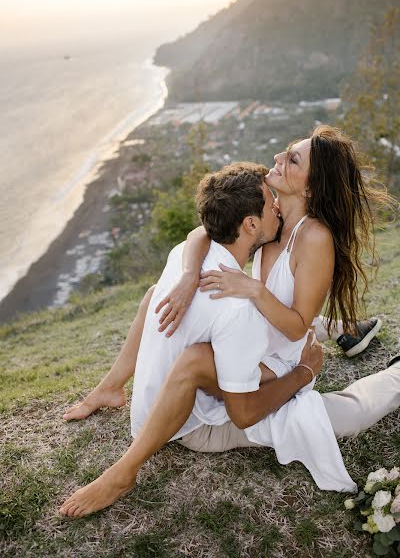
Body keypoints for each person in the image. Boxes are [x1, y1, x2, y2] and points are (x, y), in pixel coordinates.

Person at [59, 127, 399, 518]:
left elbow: (294, 325)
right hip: (250, 337)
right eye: (285, 151)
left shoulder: (313, 237)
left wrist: (254, 294)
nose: (277, 159)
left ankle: (392, 376)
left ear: (310, 188)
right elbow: (203, 230)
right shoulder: (269, 220)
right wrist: (188, 278)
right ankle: (110, 387)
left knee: (335, 417)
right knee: (158, 293)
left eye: (292, 160)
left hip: (276, 360)